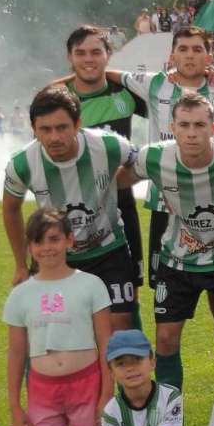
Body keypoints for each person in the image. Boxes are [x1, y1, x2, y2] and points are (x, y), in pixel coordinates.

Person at [118, 92, 214, 399]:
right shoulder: (155, 157)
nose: (191, 132)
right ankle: (171, 421)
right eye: (184, 125)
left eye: (199, 124)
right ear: (173, 127)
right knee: (166, 340)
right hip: (177, 262)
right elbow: (118, 180)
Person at [3, 85, 138, 328]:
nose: (54, 137)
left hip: (109, 249)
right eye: (45, 129)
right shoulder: (22, 163)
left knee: (119, 322)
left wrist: (163, 193)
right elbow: (11, 208)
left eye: (62, 127)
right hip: (56, 254)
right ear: (33, 130)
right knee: (58, 327)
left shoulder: (108, 145)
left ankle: (125, 364)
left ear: (77, 124)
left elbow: (145, 164)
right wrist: (21, 264)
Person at [2, 206, 112, 426]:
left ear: (69, 241)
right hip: (44, 389)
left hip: (86, 385)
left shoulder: (91, 284)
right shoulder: (21, 294)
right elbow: (16, 353)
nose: (47, 248)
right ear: (30, 246)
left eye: (54, 239)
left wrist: (106, 393)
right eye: (39, 241)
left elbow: (105, 342)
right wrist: (15, 406)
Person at [63, 25, 148, 331]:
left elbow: (168, 104)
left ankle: (132, 378)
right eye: (81, 53)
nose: (89, 59)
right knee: (74, 306)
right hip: (72, 215)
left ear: (108, 55)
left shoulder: (124, 94)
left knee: (128, 301)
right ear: (70, 58)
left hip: (120, 207)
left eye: (96, 52)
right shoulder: (59, 99)